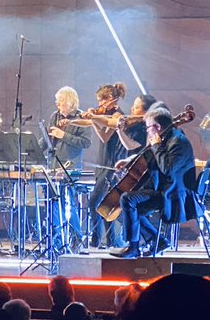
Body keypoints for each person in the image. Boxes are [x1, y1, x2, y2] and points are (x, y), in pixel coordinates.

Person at [111, 103, 196, 258]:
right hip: (163, 189)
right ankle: (158, 240)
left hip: (174, 194)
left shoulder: (178, 142)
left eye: (148, 127)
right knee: (124, 208)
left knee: (127, 199)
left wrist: (156, 145)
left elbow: (167, 168)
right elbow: (150, 156)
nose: (147, 131)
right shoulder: (166, 138)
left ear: (157, 127)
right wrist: (129, 160)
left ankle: (134, 247)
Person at [80, 83, 128, 248]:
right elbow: (87, 122)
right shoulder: (104, 114)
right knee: (106, 205)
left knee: (95, 203)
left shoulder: (117, 116)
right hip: (101, 164)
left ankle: (97, 239)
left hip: (111, 163)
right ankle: (110, 241)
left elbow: (104, 138)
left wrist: (93, 120)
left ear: (112, 99)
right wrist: (70, 122)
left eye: (102, 100)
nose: (99, 104)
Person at [48, 86, 93, 249]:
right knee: (53, 203)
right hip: (53, 166)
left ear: (69, 102)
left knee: (69, 203)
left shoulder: (82, 118)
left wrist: (64, 136)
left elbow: (86, 143)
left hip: (71, 167)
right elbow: (48, 139)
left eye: (59, 101)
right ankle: (56, 239)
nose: (57, 104)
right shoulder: (55, 116)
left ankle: (77, 239)